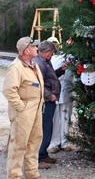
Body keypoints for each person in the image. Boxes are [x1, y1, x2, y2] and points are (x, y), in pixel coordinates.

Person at [3, 36, 45, 179]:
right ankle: (14, 176)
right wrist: (21, 108)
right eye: (34, 47)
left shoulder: (34, 64)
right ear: (26, 51)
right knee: (19, 145)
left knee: (34, 143)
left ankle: (32, 174)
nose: (37, 48)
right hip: (24, 112)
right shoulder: (16, 68)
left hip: (36, 110)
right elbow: (9, 90)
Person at [33, 40, 68, 169]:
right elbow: (38, 84)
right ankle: (38, 159)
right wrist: (49, 95)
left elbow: (51, 78)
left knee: (48, 127)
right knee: (44, 128)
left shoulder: (46, 62)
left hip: (51, 101)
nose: (52, 55)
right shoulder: (39, 64)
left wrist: (61, 70)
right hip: (46, 102)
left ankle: (43, 153)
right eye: (52, 53)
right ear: (46, 52)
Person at [46, 37, 73, 153]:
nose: (54, 47)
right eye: (51, 44)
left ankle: (65, 142)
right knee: (54, 119)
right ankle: (54, 143)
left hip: (67, 92)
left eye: (55, 44)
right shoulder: (46, 60)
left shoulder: (68, 57)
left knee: (66, 118)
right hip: (53, 94)